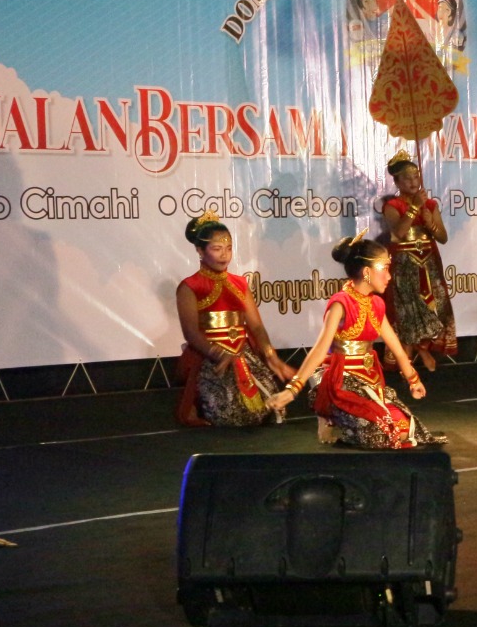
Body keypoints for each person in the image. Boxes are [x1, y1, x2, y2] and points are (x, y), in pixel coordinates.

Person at [264, 233, 444, 449]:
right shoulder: (341, 304)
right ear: (367, 272)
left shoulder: (376, 304)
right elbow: (320, 350)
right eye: (385, 268)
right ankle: (329, 413)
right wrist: (291, 391)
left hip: (370, 380)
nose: (389, 276)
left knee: (403, 430)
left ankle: (343, 418)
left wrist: (413, 379)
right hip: (342, 381)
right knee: (382, 435)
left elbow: (395, 345)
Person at [175, 212, 295, 426]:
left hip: (242, 351)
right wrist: (219, 355)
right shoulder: (190, 286)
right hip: (210, 356)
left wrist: (271, 357)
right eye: (217, 249)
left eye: (229, 248)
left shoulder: (239, 284)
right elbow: (191, 333)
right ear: (200, 251)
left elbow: (256, 326)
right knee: (233, 417)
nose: (224, 255)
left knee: (272, 411)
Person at [382, 150, 457, 370]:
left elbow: (442, 237)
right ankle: (413, 362)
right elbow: (399, 234)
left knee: (434, 309)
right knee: (407, 312)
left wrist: (430, 223)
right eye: (407, 178)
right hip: (405, 265)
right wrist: (414, 207)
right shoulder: (392, 206)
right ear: (397, 181)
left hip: (429, 264)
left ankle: (422, 352)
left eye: (416, 177)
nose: (413, 182)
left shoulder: (431, 205)